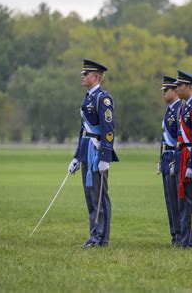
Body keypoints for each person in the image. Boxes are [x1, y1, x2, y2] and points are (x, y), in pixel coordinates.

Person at [68, 58, 119, 248]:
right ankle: (94, 235)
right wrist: (76, 157)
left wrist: (105, 157)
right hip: (86, 151)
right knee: (90, 196)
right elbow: (84, 131)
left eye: (86, 74)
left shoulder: (102, 98)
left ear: (96, 77)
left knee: (99, 196)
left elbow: (108, 129)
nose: (82, 76)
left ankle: (100, 238)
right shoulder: (88, 97)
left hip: (97, 153)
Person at [175, 70, 192, 247]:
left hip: (190, 156)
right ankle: (185, 237)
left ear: (189, 87)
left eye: (179, 85)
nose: (176, 88)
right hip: (181, 154)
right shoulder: (184, 106)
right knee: (184, 200)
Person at [159, 76, 182, 246]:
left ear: (175, 91)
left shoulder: (180, 109)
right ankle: (174, 233)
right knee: (169, 199)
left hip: (176, 156)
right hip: (167, 156)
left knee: (177, 199)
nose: (164, 94)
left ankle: (181, 234)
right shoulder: (169, 110)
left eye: (166, 91)